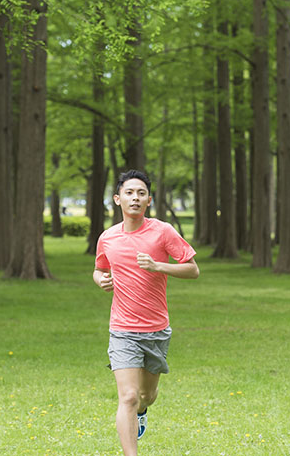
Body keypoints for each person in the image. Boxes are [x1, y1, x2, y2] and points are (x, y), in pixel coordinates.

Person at [93, 170, 199, 456]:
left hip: (156, 329)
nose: (135, 198)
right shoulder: (108, 238)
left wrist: (158, 266)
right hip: (122, 329)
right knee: (127, 396)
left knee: (145, 396)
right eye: (129, 193)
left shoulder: (162, 231)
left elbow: (192, 269)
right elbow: (100, 269)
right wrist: (100, 280)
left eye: (141, 193)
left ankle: (143, 410)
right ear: (118, 199)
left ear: (149, 200)